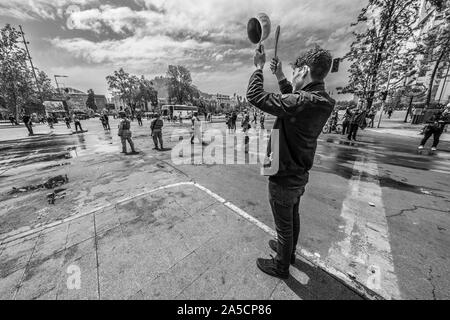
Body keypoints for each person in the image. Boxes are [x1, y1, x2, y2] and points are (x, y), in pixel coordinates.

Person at [248, 45, 334, 279]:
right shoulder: (321, 100)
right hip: (298, 174)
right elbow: (293, 100)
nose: (293, 74)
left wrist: (259, 67)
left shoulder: (302, 101)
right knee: (292, 219)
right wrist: (280, 76)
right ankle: (289, 253)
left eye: (295, 71)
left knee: (284, 227)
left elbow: (255, 96)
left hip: (284, 175)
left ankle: (281, 265)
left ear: (304, 70)